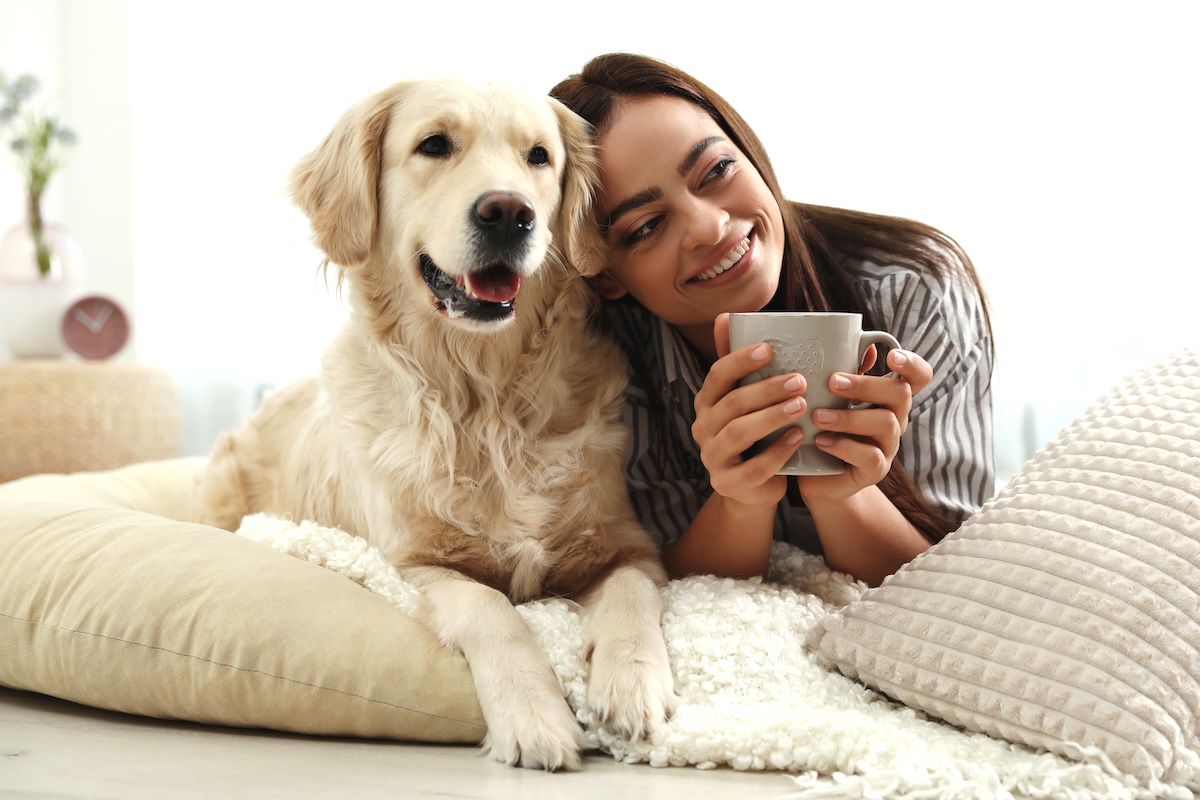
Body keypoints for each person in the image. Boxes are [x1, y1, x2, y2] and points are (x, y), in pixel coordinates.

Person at [550, 53, 995, 587]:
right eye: (646, 227)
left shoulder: (914, 289)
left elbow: (968, 592)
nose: (709, 227)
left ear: (751, 153)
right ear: (604, 274)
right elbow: (652, 590)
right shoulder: (596, 365)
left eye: (716, 170)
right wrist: (739, 500)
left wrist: (843, 492)